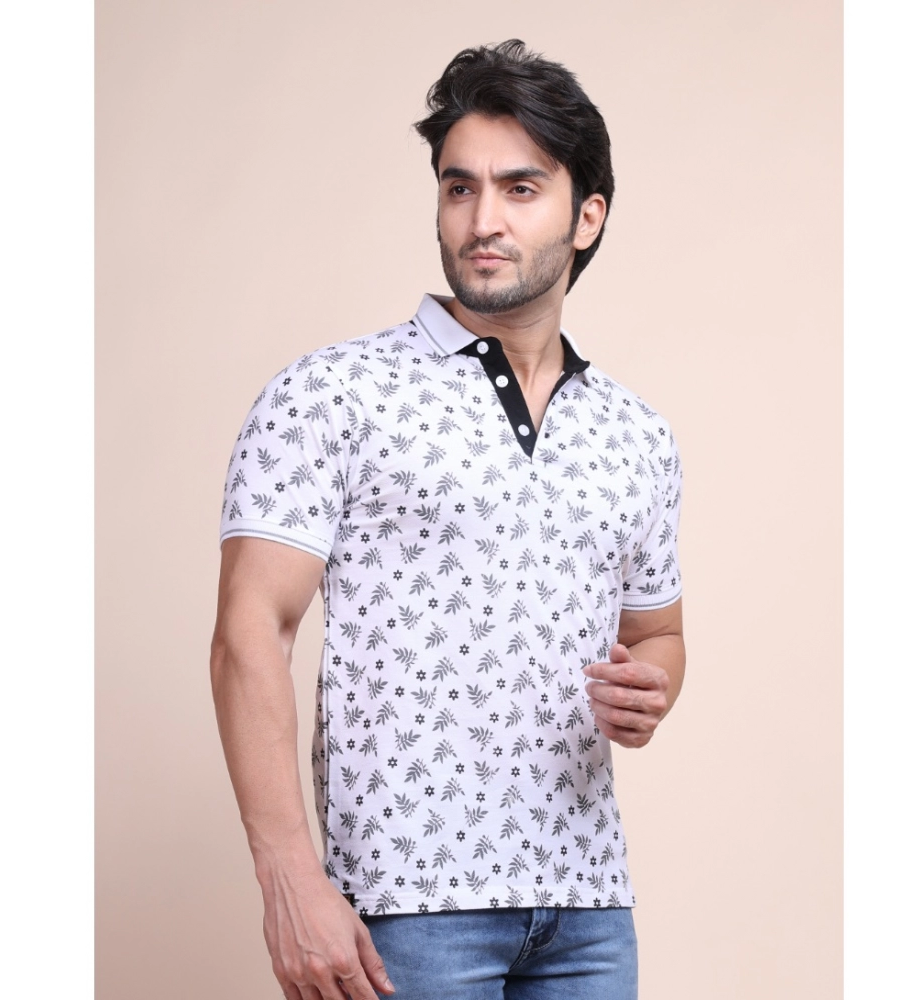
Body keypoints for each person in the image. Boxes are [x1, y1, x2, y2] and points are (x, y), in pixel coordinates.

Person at [211, 39, 685, 1000]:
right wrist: (290, 878)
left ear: (587, 216)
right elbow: (249, 631)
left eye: (520, 189)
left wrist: (654, 690)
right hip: (406, 911)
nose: (482, 219)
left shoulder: (637, 434)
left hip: (590, 912)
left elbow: (658, 634)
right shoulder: (331, 394)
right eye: (459, 187)